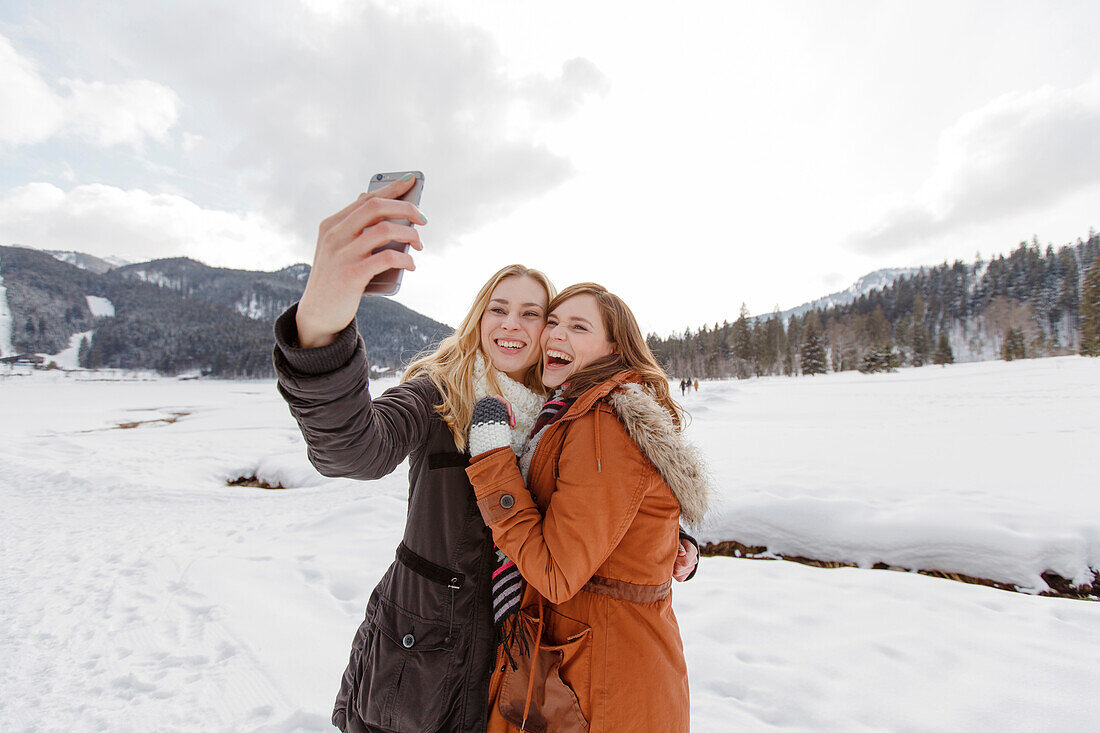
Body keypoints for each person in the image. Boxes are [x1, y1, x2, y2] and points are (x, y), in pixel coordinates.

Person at [273, 178, 699, 732]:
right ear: (479, 316)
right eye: (499, 309)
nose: (514, 326)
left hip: (517, 660)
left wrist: (669, 541)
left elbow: (593, 509)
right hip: (424, 648)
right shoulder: (442, 392)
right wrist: (324, 316)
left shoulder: (564, 416)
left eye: (534, 314)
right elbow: (353, 450)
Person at [465, 282, 710, 732]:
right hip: (588, 663)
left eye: (578, 326)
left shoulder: (602, 422)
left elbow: (557, 572)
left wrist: (493, 460)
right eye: (553, 322)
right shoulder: (572, 408)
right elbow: (616, 511)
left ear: (613, 347)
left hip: (602, 679)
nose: (556, 335)